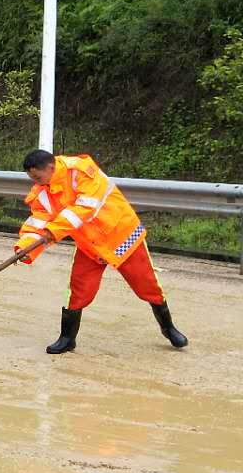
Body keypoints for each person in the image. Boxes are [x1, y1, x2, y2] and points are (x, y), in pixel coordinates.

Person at [15, 149, 187, 354]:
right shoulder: (42, 192)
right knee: (77, 290)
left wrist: (54, 230)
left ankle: (168, 328)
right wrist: (25, 248)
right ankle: (67, 338)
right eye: (32, 178)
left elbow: (85, 207)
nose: (35, 181)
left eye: (37, 176)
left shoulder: (81, 171)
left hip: (121, 236)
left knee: (147, 285)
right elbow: (38, 224)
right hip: (90, 246)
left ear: (50, 167)